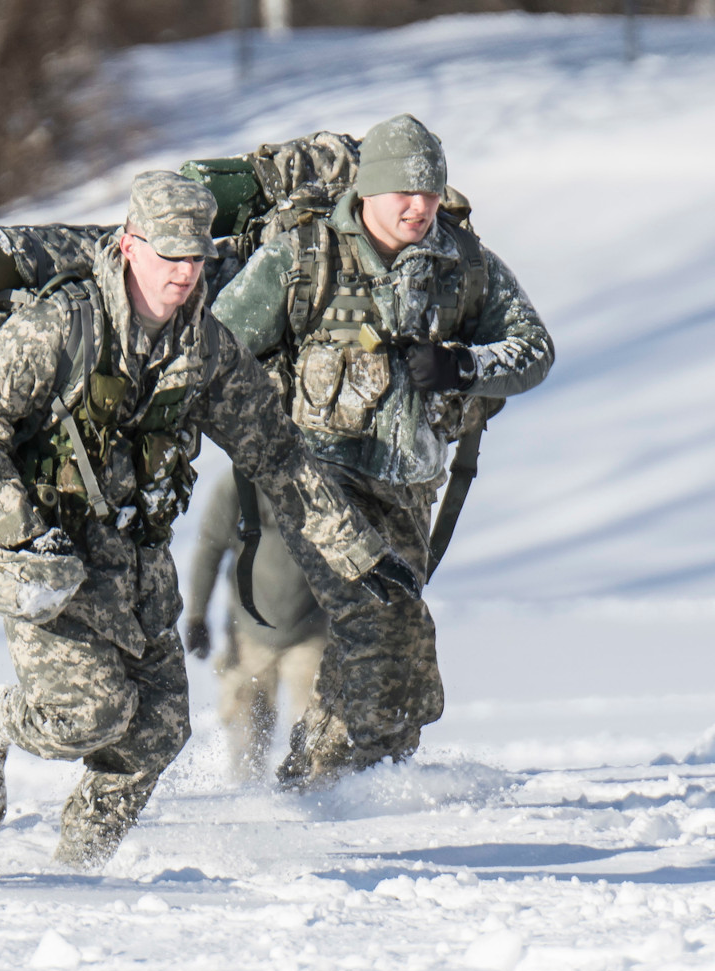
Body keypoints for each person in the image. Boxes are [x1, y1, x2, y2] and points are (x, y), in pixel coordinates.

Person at [0, 171, 415, 869]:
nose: (186, 274)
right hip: (46, 555)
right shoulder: (61, 325)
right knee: (85, 714)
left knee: (158, 732)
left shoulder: (205, 348)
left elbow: (278, 457)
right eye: (170, 256)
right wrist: (20, 528)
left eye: (197, 259)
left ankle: (76, 868)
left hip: (135, 561)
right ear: (130, 246)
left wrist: (359, 553)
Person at [210, 114, 553, 790]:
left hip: (407, 489)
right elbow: (216, 352)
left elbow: (535, 350)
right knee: (370, 625)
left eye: (430, 194)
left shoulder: (462, 264)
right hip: (318, 481)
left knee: (408, 673)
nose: (419, 208)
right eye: (404, 194)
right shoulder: (304, 257)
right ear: (367, 191)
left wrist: (462, 366)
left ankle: (358, 789)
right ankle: (312, 791)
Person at [182, 466, 326, 782]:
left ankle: (320, 806)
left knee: (318, 732)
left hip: (310, 630)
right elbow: (210, 548)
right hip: (247, 634)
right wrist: (196, 615)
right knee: (244, 731)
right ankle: (248, 804)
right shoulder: (236, 485)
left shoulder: (318, 478)